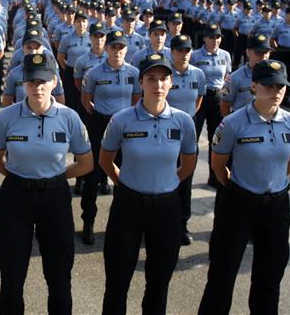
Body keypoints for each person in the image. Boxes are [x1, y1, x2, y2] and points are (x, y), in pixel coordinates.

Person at [0, 52, 93, 315]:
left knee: (59, 278)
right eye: (32, 82)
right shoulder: (7, 116)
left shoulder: (69, 117)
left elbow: (86, 163)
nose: (37, 87)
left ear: (54, 81)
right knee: (12, 279)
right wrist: (19, 175)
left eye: (43, 81)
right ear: (23, 83)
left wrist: (55, 178)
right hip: (16, 197)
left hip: (54, 198)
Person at [198, 60, 290, 315]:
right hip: (238, 202)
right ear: (254, 86)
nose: (276, 91)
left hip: (276, 206)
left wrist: (270, 182)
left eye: (281, 86)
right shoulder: (233, 123)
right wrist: (240, 188)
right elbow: (219, 165)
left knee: (269, 278)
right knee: (222, 274)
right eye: (269, 85)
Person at [100, 52, 197, 314]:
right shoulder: (121, 120)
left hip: (166, 209)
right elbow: (106, 160)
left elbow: (188, 165)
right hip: (128, 207)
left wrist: (166, 183)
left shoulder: (183, 121)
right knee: (117, 283)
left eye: (164, 78)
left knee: (158, 285)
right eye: (151, 78)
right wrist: (123, 182)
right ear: (140, 82)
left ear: (171, 83)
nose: (158, 85)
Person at [79, 30, 141, 244]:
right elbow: (86, 99)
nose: (117, 51)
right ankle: (88, 221)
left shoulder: (133, 72)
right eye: (113, 47)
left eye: (121, 47)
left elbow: (136, 98)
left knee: (125, 176)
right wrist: (98, 115)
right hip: (101, 124)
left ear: (126, 49)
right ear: (106, 49)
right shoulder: (94, 73)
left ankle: (122, 225)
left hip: (125, 126)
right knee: (93, 176)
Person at [166, 34, 207, 245]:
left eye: (187, 50)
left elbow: (198, 99)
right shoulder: (165, 74)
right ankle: (163, 221)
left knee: (186, 180)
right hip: (166, 134)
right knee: (165, 177)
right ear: (171, 51)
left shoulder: (198, 74)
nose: (184, 54)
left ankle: (182, 223)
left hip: (188, 134)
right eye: (179, 50)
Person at [192, 24, 232, 188]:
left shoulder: (225, 55)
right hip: (201, 97)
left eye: (218, 37)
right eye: (211, 37)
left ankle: (214, 176)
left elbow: (227, 76)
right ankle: (187, 173)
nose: (215, 40)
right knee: (193, 139)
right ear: (204, 38)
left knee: (215, 139)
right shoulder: (195, 55)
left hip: (218, 97)